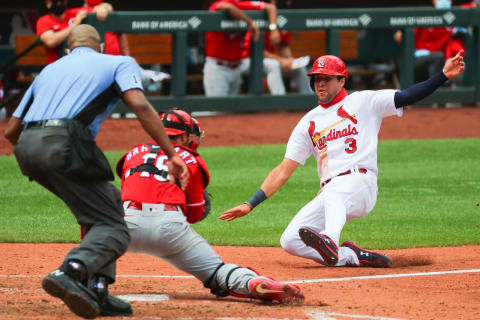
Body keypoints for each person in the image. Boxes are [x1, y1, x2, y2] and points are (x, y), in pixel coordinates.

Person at [4, 25, 189, 318]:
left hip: (26, 148)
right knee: (114, 227)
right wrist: (171, 153)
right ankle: (71, 271)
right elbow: (139, 104)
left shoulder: (49, 70)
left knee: (104, 208)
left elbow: (12, 129)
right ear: (101, 46)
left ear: (68, 50)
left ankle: (98, 290)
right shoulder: (118, 61)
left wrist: (35, 158)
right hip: (65, 143)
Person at [221, 51, 465, 267]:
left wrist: (442, 76)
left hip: (360, 184)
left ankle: (329, 239)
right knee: (290, 240)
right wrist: (250, 203)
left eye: (326, 78)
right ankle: (350, 255)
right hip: (332, 193)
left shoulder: (364, 101)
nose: (320, 84)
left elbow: (407, 96)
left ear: (341, 80)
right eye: (316, 79)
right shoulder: (308, 122)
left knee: (335, 192)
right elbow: (283, 170)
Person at [116, 108, 305, 305]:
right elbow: (195, 213)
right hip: (169, 226)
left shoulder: (132, 153)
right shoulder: (191, 159)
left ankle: (88, 276)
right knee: (216, 271)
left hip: (126, 222)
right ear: (182, 136)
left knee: (94, 254)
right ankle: (252, 283)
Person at [203, 0, 280, 96]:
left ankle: (282, 106)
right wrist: (250, 22)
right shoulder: (219, 4)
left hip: (238, 66)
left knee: (273, 65)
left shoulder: (240, 4)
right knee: (217, 109)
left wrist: (273, 29)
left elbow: (271, 7)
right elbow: (228, 8)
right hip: (218, 68)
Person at [240, 0, 311, 94]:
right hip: (246, 60)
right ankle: (281, 104)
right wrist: (281, 60)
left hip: (266, 61)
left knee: (298, 67)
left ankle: (308, 101)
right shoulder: (257, 18)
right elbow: (257, 51)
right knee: (274, 65)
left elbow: (283, 46)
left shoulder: (281, 20)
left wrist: (289, 60)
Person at [36, 0, 112, 64]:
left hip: (82, 63)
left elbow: (106, 8)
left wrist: (103, 7)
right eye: (55, 1)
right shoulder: (43, 20)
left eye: (61, 1)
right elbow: (50, 41)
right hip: (59, 65)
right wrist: (75, 24)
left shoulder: (74, 13)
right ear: (48, 3)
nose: (59, 3)